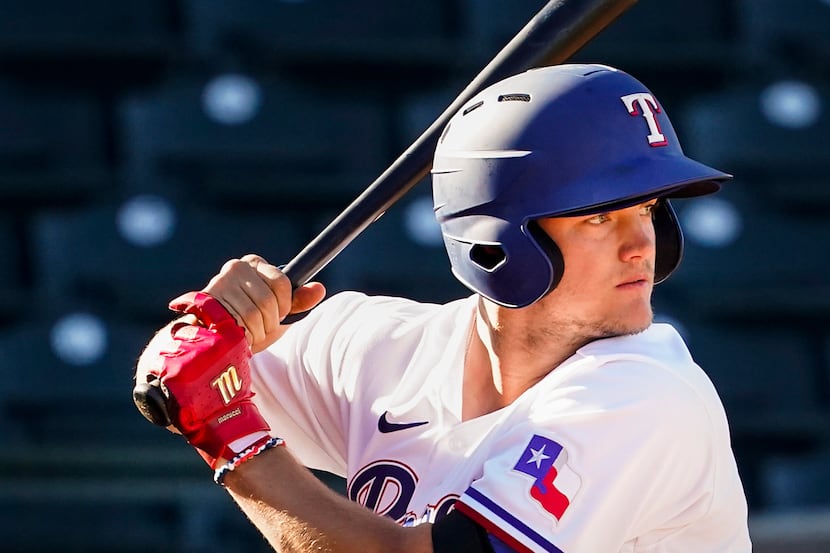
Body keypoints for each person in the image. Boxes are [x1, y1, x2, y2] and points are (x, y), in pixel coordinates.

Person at [136, 64, 752, 552]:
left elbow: (217, 409)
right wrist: (207, 328)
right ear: (499, 240)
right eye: (600, 215)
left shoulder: (645, 397)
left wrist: (234, 441)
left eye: (647, 210)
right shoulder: (372, 344)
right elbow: (175, 380)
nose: (641, 243)